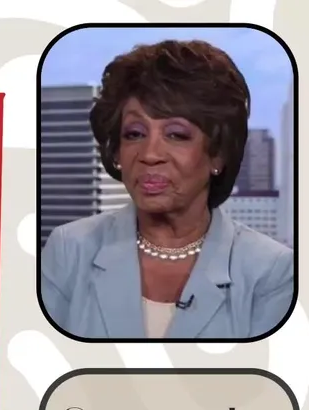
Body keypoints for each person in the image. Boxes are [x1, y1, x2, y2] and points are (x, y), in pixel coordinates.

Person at [40, 39, 293, 340]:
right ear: (117, 152)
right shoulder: (70, 249)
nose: (150, 154)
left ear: (217, 154)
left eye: (176, 135)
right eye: (135, 134)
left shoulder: (271, 271)